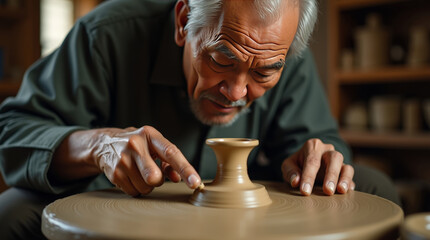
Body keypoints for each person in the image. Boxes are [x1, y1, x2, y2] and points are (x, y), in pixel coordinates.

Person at [0, 0, 400, 239]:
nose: (237, 93)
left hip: (247, 215)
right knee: (11, 214)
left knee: (371, 188)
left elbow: (319, 143)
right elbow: (14, 131)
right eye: (223, 59)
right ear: (183, 21)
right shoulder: (107, 35)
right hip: (114, 208)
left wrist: (317, 160)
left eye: (263, 73)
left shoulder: (284, 52)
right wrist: (97, 146)